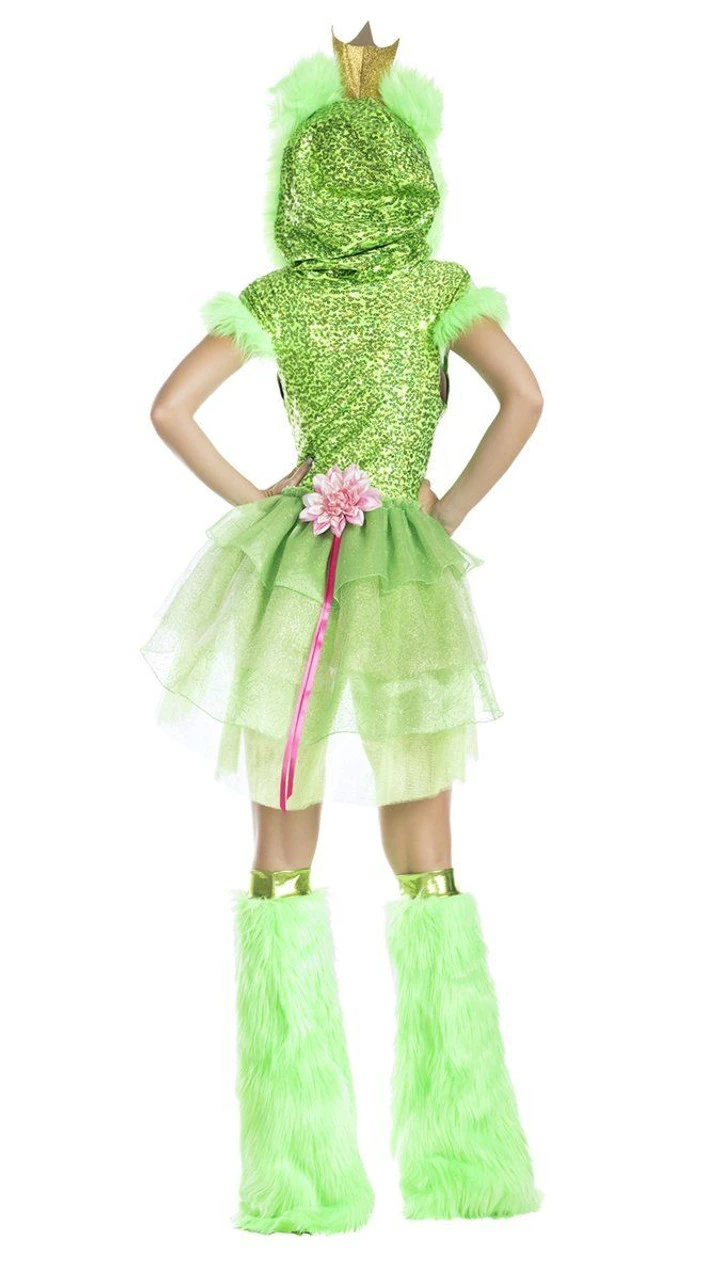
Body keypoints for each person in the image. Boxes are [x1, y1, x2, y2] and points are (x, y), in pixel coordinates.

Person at [142, 22, 543, 1234]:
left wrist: (262, 493)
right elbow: (527, 397)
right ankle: (464, 1159)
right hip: (408, 569)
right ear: (413, 171)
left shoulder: (280, 298)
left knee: (283, 843)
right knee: (427, 847)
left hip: (299, 568)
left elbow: (169, 409)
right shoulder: (437, 291)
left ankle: (300, 1176)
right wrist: (444, 504)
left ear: (297, 180)